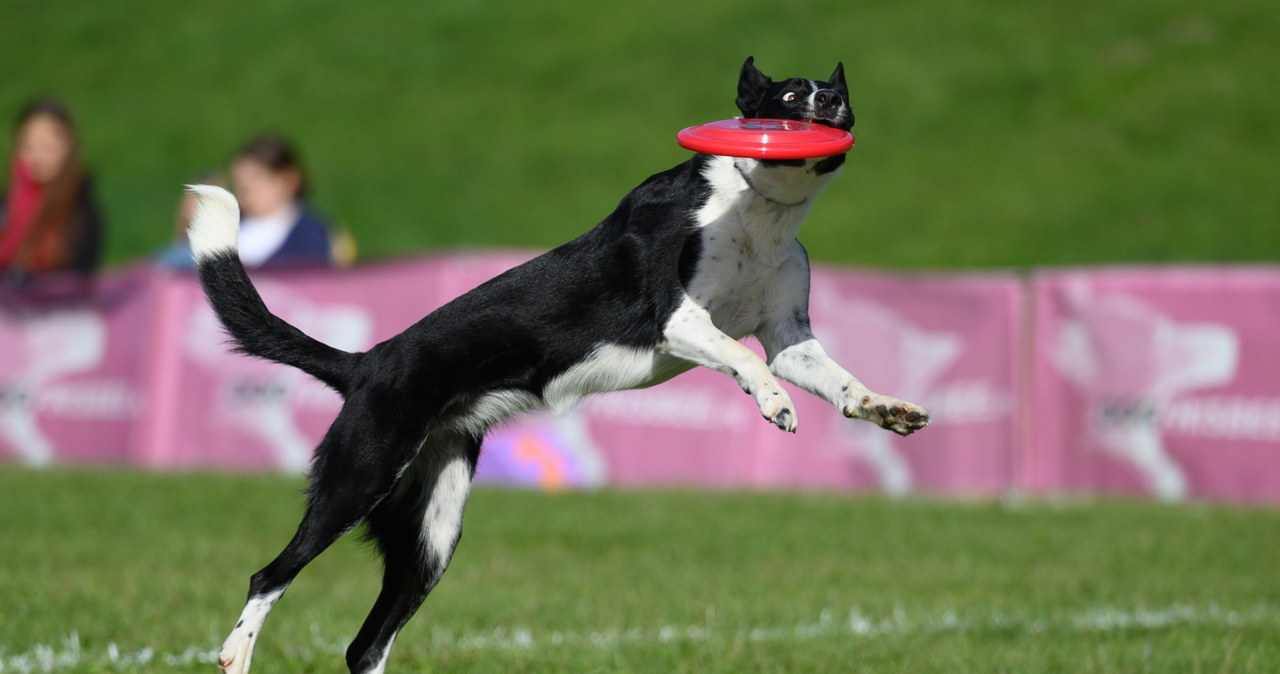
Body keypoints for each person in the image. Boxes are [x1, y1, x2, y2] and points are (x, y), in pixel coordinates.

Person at [0, 99, 102, 285]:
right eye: (29, 146)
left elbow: (78, 283)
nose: (37, 157)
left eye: (48, 147)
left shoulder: (82, 215)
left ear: (68, 149)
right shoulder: (6, 206)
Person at [229, 134, 333, 269]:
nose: (246, 187)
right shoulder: (229, 227)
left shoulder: (312, 235)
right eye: (239, 180)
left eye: (256, 177)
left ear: (288, 180)